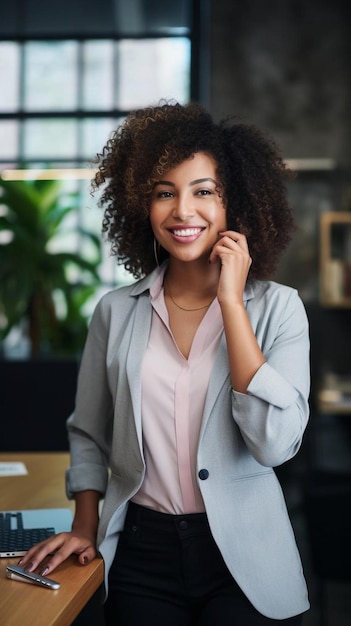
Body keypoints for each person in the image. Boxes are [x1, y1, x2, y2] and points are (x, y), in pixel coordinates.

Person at [19, 101, 310, 625]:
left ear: (234, 206)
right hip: (141, 554)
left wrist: (231, 303)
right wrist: (85, 524)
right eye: (164, 193)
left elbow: (273, 445)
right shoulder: (115, 311)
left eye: (203, 192)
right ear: (141, 204)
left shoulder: (278, 308)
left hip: (242, 555)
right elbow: (88, 433)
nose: (182, 211)